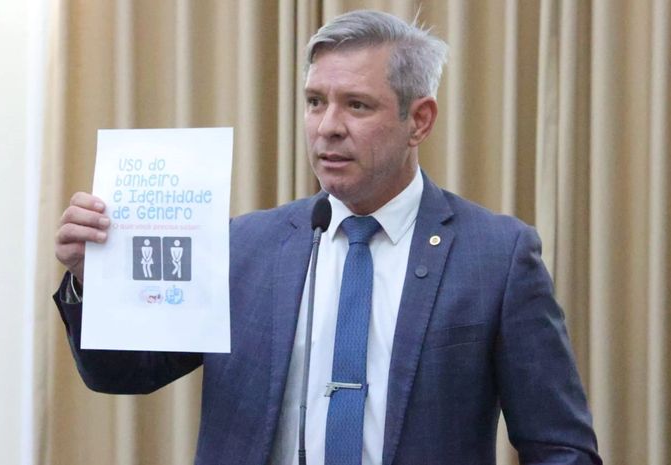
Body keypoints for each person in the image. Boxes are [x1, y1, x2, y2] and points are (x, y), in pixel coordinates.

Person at [54, 10, 601, 465]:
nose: (327, 126)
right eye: (316, 101)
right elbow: (124, 372)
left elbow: (561, 446)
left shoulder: (497, 257)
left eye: (356, 105)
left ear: (419, 120)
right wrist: (91, 279)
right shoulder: (243, 246)